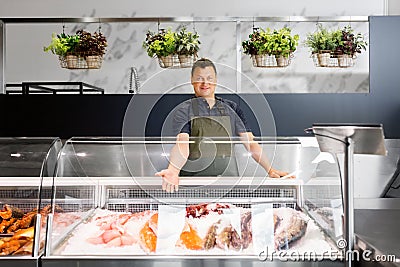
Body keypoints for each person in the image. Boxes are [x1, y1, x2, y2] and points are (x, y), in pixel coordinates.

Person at [156, 58, 292, 192]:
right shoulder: (184, 110)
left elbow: (250, 143)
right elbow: (182, 143)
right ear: (192, 80)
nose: (205, 83)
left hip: (228, 182)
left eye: (209, 78)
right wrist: (173, 170)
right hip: (194, 183)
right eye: (199, 78)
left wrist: (270, 169)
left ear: (216, 80)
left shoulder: (232, 108)